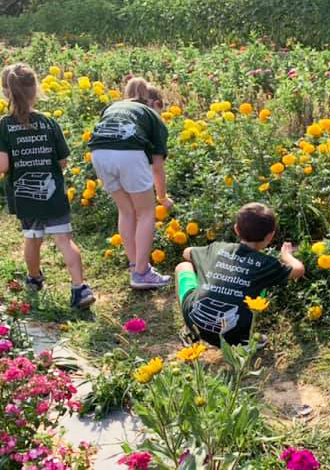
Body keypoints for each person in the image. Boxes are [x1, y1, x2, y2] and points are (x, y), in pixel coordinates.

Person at [0, 63, 94, 310]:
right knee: (64, 239)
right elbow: (62, 161)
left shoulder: (1, 127)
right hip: (53, 193)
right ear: (35, 90)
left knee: (32, 238)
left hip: (25, 195)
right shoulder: (48, 123)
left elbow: (2, 166)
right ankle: (80, 288)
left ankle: (35, 279)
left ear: (5, 92)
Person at [175, 202, 305, 347]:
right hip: (234, 334)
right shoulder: (267, 264)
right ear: (271, 235)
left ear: (236, 229)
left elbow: (187, 252)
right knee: (261, 284)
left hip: (195, 321)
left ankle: (190, 332)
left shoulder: (217, 248)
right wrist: (286, 255)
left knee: (183, 266)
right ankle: (244, 340)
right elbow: (299, 270)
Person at [88, 77, 173, 289]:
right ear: (154, 103)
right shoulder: (151, 115)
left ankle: (136, 264)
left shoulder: (114, 106)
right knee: (146, 212)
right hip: (128, 154)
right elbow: (157, 167)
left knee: (126, 211)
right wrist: (162, 197)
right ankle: (142, 272)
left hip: (98, 154)